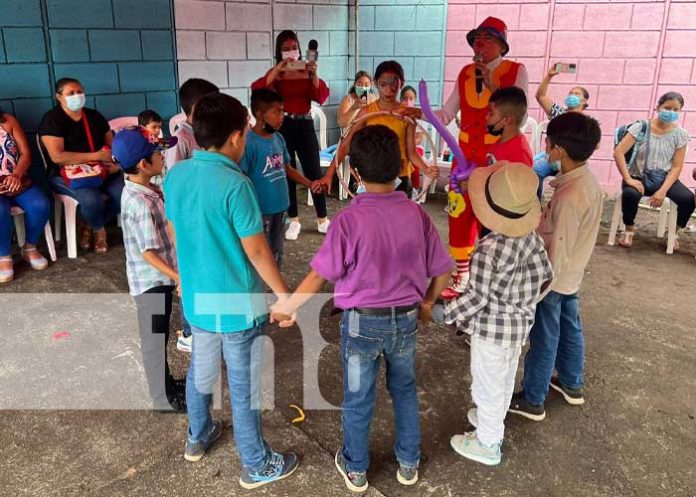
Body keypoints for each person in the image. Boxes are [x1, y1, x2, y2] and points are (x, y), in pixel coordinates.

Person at [271, 125, 452, 493]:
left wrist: (289, 306)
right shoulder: (417, 216)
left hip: (361, 325)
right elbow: (444, 270)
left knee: (359, 397)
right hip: (405, 320)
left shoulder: (348, 221)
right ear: (402, 166)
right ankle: (408, 462)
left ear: (354, 172)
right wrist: (428, 303)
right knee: (404, 390)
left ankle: (355, 468)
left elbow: (318, 276)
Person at [163, 92, 299, 489]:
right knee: (244, 388)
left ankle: (197, 435)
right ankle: (256, 463)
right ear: (238, 137)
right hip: (239, 308)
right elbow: (257, 250)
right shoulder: (236, 185)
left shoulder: (177, 175)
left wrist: (185, 275)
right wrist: (285, 296)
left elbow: (175, 229)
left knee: (201, 372)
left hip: (198, 303)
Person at [402, 17, 528, 299]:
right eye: (477, 38)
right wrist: (420, 113)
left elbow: (520, 116)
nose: (480, 44)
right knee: (459, 214)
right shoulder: (465, 74)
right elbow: (447, 114)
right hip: (463, 159)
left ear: (502, 46)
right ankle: (462, 276)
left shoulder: (516, 72)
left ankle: (492, 280)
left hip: (496, 160)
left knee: (495, 218)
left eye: (488, 38)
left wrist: (495, 86)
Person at [444, 162, 553, 466]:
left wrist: (448, 313)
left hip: (491, 332)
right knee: (503, 379)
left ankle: (487, 442)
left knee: (487, 383)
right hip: (518, 329)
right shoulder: (533, 239)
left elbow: (477, 297)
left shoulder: (488, 248)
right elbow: (547, 276)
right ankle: (492, 421)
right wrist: (524, 305)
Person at [508, 112, 603, 421]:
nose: (545, 151)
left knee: (544, 338)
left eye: (547, 145)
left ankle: (534, 398)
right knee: (571, 328)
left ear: (558, 150)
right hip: (572, 276)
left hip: (555, 280)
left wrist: (539, 287)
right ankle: (572, 383)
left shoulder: (569, 197)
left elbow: (557, 249)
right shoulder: (587, 181)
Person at [112, 126, 185, 412]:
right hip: (151, 283)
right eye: (158, 153)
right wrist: (179, 277)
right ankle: (162, 400)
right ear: (143, 165)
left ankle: (166, 385)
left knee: (160, 337)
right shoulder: (140, 203)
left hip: (158, 279)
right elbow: (148, 254)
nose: (164, 156)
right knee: (155, 341)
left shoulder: (146, 189)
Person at [251, 30, 331, 241]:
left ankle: (322, 218)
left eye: (293, 47)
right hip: (283, 125)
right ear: (279, 51)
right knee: (287, 172)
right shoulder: (277, 73)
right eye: (285, 49)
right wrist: (278, 69)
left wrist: (313, 73)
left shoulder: (307, 69)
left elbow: (320, 96)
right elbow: (258, 89)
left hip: (304, 123)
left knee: (313, 169)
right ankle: (293, 219)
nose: (291, 52)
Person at [319, 61, 437, 200]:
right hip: (372, 177)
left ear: (402, 83)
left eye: (393, 84)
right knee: (373, 217)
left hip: (400, 177)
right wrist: (328, 174)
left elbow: (411, 152)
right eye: (383, 84)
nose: (388, 89)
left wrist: (426, 169)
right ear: (375, 83)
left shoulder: (407, 115)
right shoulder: (367, 112)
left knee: (397, 219)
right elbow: (345, 144)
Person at [39, 77, 123, 254]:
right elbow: (57, 157)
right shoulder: (52, 120)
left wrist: (117, 164)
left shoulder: (94, 117)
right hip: (66, 174)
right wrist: (95, 156)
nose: (77, 96)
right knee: (92, 201)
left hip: (101, 170)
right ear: (59, 97)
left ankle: (88, 223)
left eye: (79, 92)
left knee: (124, 193)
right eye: (71, 93)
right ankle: (99, 228)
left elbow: (113, 145)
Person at [240, 89, 319, 268]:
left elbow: (287, 168)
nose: (282, 116)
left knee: (276, 250)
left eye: (282, 111)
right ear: (259, 115)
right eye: (277, 112)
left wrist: (309, 183)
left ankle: (274, 287)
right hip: (260, 212)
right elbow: (242, 178)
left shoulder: (278, 139)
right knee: (260, 253)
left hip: (280, 207)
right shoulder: (248, 143)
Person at [613, 92, 694, 249]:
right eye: (667, 107)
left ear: (680, 111)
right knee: (630, 194)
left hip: (664, 178)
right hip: (638, 175)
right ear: (658, 107)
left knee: (688, 200)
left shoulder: (680, 135)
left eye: (675, 109)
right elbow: (618, 152)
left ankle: (673, 233)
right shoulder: (641, 127)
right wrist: (628, 179)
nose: (671, 112)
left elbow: (677, 166)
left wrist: (663, 190)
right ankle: (629, 230)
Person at [0, 109, 51, 283]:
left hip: (17, 180)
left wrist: (17, 174)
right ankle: (4, 256)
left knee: (41, 204)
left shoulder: (8, 121)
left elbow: (25, 154)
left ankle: (29, 247)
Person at [534, 65, 590, 196]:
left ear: (584, 100)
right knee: (534, 172)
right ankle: (536, 207)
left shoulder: (588, 123)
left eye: (576, 94)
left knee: (567, 184)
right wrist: (549, 76)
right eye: (570, 93)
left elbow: (594, 145)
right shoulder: (559, 113)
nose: (572, 96)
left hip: (573, 162)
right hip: (553, 159)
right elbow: (540, 96)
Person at [164, 78, 220, 175]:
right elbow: (175, 176)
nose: (216, 109)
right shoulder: (180, 139)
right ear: (196, 107)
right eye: (211, 105)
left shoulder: (209, 132)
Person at [485, 86, 533, 166]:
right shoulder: (503, 141)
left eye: (491, 113)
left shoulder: (520, 157)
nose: (486, 117)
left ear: (506, 120)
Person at [400, 85, 426, 194]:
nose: (408, 101)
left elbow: (420, 137)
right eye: (405, 98)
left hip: (415, 147)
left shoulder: (418, 115)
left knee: (414, 157)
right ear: (401, 99)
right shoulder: (397, 115)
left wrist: (409, 144)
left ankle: (415, 188)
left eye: (411, 99)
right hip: (400, 146)